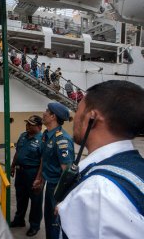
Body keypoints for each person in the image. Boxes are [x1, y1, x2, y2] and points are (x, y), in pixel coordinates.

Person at [58, 80, 144, 238]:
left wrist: (86, 203)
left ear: (93, 118)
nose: (75, 117)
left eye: (77, 110)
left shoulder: (97, 191)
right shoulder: (136, 165)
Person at [33, 102, 74, 239]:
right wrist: (40, 178)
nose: (43, 113)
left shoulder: (62, 140)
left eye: (46, 111)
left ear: (53, 116)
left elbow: (67, 173)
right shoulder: (46, 134)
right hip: (49, 184)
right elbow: (44, 159)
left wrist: (62, 200)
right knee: (49, 221)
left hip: (57, 188)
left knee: (56, 225)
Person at [10, 115, 43, 237]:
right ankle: (19, 220)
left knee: (35, 201)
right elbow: (18, 152)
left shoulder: (42, 139)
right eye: (27, 124)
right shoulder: (23, 136)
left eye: (31, 124)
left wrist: (39, 178)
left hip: (33, 173)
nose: (27, 126)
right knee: (20, 197)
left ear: (39, 127)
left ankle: (34, 226)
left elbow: (43, 161)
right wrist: (13, 166)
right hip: (20, 172)